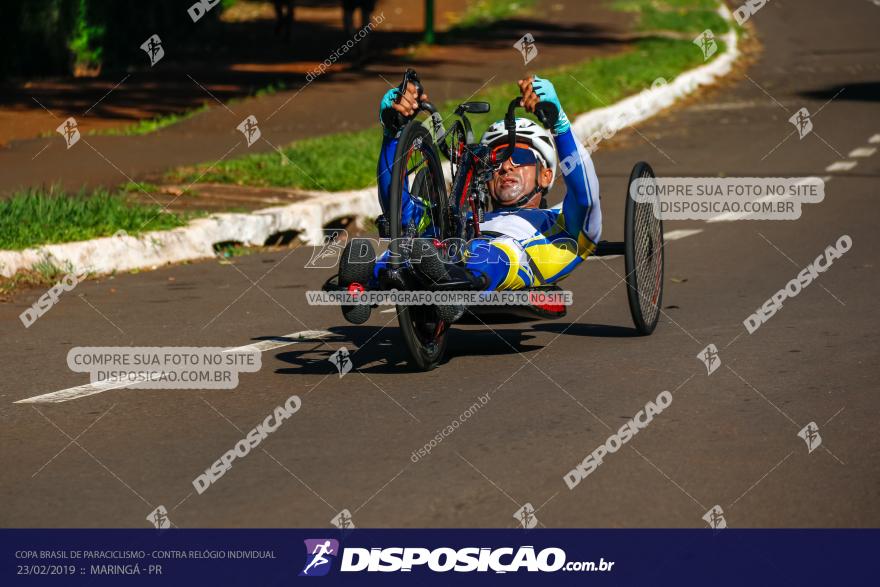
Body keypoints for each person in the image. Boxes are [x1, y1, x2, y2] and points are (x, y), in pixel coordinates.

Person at [339, 74, 602, 324]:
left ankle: (444, 281)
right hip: (449, 249)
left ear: (546, 175)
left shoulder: (561, 221)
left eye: (519, 158)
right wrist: (393, 133)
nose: (506, 167)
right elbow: (399, 208)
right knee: (410, 234)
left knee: (493, 253)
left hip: (503, 257)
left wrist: (559, 124)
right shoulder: (464, 218)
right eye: (496, 161)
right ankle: (365, 280)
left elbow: (586, 195)